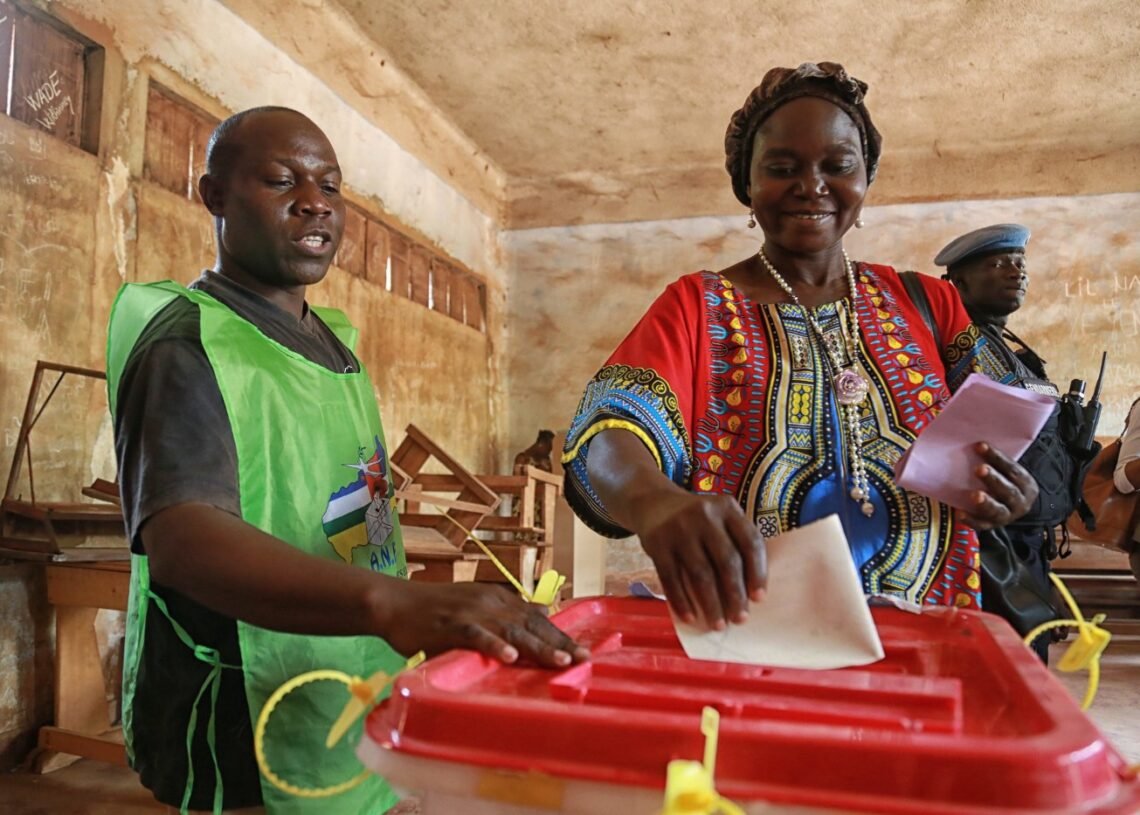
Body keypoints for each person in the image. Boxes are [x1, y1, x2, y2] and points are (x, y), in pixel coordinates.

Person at [107, 106, 588, 815]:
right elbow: (184, 541)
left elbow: (351, 508)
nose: (314, 202)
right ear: (213, 196)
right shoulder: (187, 344)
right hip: (245, 721)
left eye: (330, 186)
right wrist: (392, 601)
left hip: (350, 685)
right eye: (281, 180)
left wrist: (423, 622)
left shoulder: (334, 343)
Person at [561, 62, 1038, 632]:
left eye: (838, 166)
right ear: (748, 183)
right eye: (782, 168)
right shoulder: (697, 305)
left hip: (926, 634)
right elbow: (610, 433)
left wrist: (1009, 493)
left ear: (866, 177)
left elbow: (1004, 437)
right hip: (754, 634)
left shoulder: (930, 304)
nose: (811, 185)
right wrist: (653, 501)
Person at [935, 224, 1092, 660]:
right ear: (959, 281)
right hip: (988, 539)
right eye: (998, 263)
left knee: (1030, 652)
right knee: (1003, 657)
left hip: (1030, 535)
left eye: (1020, 263)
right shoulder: (952, 344)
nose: (1016, 272)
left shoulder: (1013, 350)